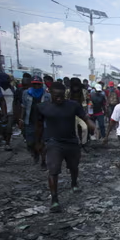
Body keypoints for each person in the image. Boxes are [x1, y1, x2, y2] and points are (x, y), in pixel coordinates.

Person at [35, 82, 95, 212]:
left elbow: (84, 116)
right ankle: (54, 200)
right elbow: (39, 125)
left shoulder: (73, 105)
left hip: (71, 142)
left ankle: (74, 183)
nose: (59, 98)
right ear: (50, 93)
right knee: (53, 170)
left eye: (61, 96)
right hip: (53, 143)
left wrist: (90, 124)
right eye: (56, 96)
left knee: (74, 166)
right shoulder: (42, 107)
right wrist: (38, 141)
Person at [20, 76, 50, 169]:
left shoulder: (47, 95)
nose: (36, 86)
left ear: (41, 84)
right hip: (30, 121)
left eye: (38, 84)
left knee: (43, 142)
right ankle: (35, 154)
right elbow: (23, 107)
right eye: (34, 84)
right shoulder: (26, 93)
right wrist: (21, 119)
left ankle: (43, 161)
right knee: (30, 143)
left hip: (43, 122)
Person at [0, 73, 15, 151]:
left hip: (10, 112)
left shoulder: (12, 89)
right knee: (0, 129)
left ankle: (7, 143)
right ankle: (0, 141)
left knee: (9, 129)